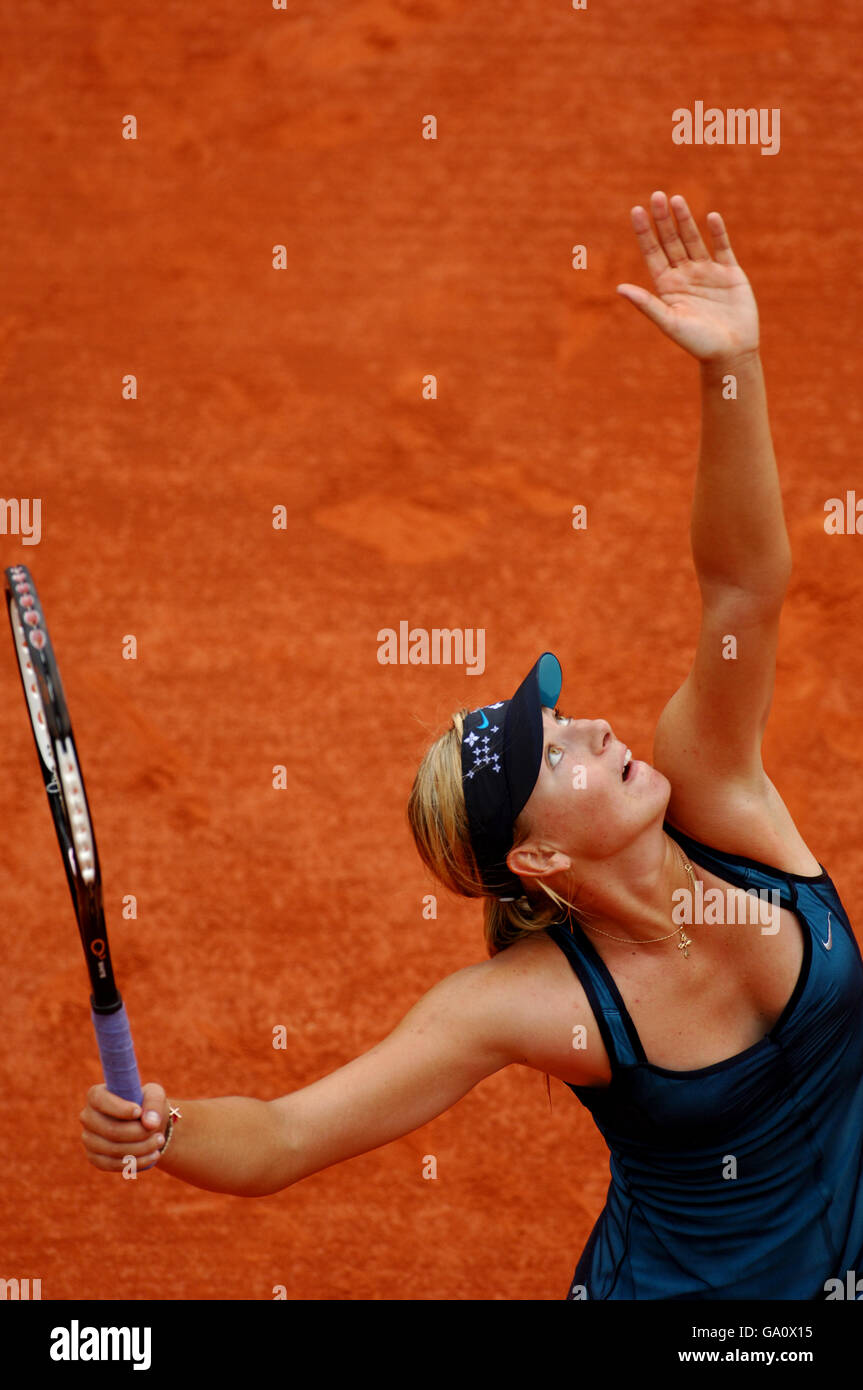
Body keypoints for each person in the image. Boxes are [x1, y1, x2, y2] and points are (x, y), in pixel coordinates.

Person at [80, 191, 863, 1300]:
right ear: (537, 860)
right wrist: (161, 1127)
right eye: (560, 757)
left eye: (566, 722)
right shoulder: (528, 1004)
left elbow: (743, 588)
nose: (593, 728)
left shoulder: (721, 795)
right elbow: (289, 1134)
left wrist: (727, 366)